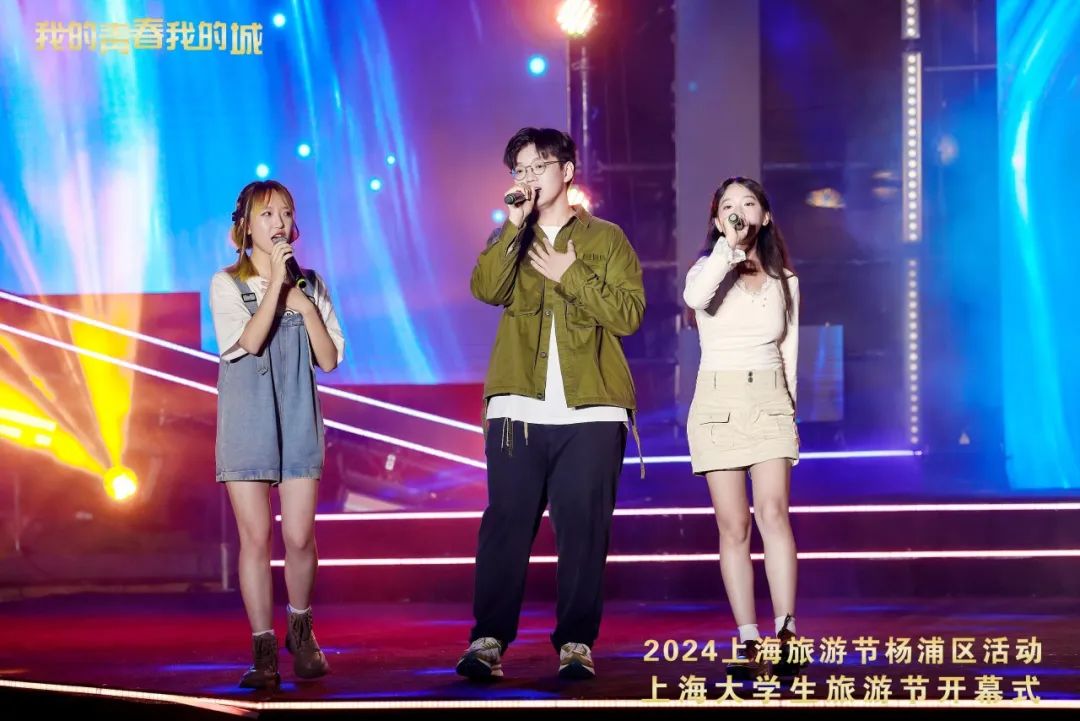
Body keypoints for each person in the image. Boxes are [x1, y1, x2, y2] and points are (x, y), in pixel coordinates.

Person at [456, 127, 645, 681]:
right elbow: (486, 289)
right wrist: (512, 227)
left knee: (584, 530)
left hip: (593, 409)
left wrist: (571, 274)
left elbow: (629, 314)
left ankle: (576, 642)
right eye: (519, 169)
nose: (527, 177)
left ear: (566, 171)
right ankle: (488, 640)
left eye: (537, 166)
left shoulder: (606, 239)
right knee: (505, 525)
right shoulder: (510, 236)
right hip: (518, 407)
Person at [209, 180, 345, 689]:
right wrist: (275, 291)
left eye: (286, 213)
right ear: (245, 226)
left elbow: (328, 360)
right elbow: (246, 342)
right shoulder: (226, 283)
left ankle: (302, 633)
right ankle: (263, 649)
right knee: (256, 537)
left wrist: (304, 305)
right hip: (247, 418)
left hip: (297, 415)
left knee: (300, 536)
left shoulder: (311, 284)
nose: (279, 223)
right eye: (267, 214)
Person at [682, 176, 803, 679]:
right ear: (717, 220)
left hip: (770, 399)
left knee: (774, 513)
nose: (739, 211)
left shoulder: (785, 281)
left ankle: (787, 632)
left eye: (748, 203)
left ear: (765, 216)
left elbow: (788, 350)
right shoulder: (706, 269)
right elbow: (695, 297)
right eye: (728, 206)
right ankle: (748, 638)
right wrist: (727, 250)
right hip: (719, 402)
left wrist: (790, 409)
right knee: (734, 526)